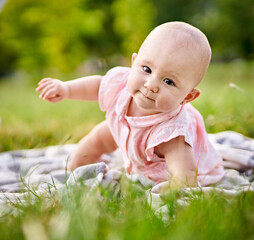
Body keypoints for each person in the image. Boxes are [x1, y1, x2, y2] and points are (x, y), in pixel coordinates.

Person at [36, 21, 224, 189]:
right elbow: (97, 85)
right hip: (125, 127)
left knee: (171, 172)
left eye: (168, 82)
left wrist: (177, 185)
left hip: (156, 159)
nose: (151, 85)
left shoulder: (171, 133)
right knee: (98, 137)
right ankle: (74, 170)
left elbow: (186, 173)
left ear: (188, 97)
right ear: (134, 63)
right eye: (147, 69)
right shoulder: (122, 82)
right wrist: (66, 89)